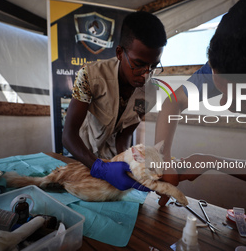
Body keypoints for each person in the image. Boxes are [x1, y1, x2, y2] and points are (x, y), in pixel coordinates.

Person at [154, 0, 246, 250]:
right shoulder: (231, 61)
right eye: (219, 89)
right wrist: (162, 157)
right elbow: (173, 103)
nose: (227, 104)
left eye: (238, 95)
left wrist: (213, 161)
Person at [62, 11, 167, 191]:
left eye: (153, 66)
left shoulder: (151, 93)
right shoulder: (89, 75)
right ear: (119, 52)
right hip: (82, 155)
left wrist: (128, 163)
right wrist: (99, 168)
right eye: (139, 64)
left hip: (113, 160)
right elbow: (68, 135)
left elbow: (125, 134)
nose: (146, 75)